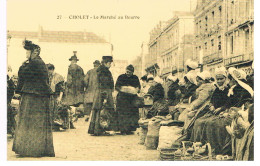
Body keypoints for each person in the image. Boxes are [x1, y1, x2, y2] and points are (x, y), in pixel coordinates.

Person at [12, 40, 55, 157]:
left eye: (28, 52)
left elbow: (23, 74)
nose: (26, 54)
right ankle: (34, 149)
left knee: (29, 122)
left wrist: (22, 65)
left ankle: (30, 150)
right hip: (38, 96)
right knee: (35, 123)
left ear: (34, 52)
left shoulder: (34, 63)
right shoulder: (38, 62)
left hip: (33, 96)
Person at [190, 67, 231, 154]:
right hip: (213, 111)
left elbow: (229, 102)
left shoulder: (228, 89)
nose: (219, 81)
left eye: (221, 79)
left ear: (225, 78)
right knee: (198, 121)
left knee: (210, 123)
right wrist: (212, 106)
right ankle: (198, 145)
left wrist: (220, 109)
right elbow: (212, 100)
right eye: (218, 79)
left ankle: (213, 147)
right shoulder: (216, 89)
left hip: (223, 112)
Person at [88, 56, 115, 136]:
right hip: (103, 94)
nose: (110, 65)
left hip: (99, 94)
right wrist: (105, 97)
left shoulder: (101, 70)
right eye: (109, 63)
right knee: (103, 110)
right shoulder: (104, 72)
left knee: (98, 111)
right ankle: (101, 129)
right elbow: (104, 85)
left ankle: (96, 130)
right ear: (105, 63)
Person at [115, 64, 141, 135]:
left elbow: (138, 87)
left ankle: (130, 129)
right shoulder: (121, 77)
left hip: (131, 99)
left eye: (129, 72)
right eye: (127, 71)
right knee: (122, 114)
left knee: (131, 114)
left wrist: (136, 89)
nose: (128, 73)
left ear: (132, 72)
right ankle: (122, 129)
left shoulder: (135, 78)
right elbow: (117, 86)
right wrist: (124, 89)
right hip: (122, 98)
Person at [7, 65, 16, 135]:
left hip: (7, 100)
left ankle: (11, 129)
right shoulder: (9, 81)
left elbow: (11, 90)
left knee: (9, 113)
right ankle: (11, 129)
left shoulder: (10, 81)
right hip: (7, 101)